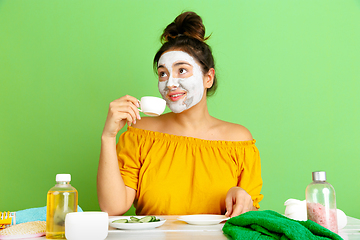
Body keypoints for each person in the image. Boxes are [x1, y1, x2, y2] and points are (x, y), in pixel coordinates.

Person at [97, 11, 263, 217]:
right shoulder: (139, 132)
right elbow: (113, 208)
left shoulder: (239, 141)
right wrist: (108, 137)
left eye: (182, 70)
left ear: (208, 78)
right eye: (163, 73)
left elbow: (249, 218)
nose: (170, 83)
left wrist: (241, 195)